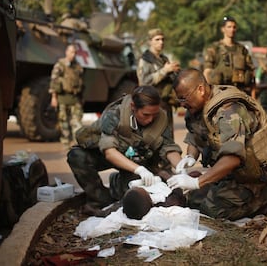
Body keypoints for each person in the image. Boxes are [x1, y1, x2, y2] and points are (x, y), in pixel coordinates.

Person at [167, 68, 267, 221]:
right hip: (230, 173)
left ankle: (263, 198)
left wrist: (197, 182)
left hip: (248, 174)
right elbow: (195, 135)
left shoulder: (229, 110)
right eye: (179, 100)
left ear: (200, 89)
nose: (182, 105)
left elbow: (233, 157)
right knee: (193, 200)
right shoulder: (197, 108)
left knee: (212, 212)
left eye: (184, 98)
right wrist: (190, 156)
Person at [67, 85, 183, 216]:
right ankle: (99, 199)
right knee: (76, 156)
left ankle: (118, 184)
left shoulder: (161, 118)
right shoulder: (115, 114)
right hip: (115, 155)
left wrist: (180, 167)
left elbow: (168, 147)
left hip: (140, 158)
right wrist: (139, 170)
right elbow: (109, 152)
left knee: (135, 198)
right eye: (146, 115)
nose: (150, 119)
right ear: (133, 107)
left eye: (154, 115)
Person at [137, 28, 180, 137]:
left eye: (162, 39)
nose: (161, 42)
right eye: (157, 39)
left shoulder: (164, 59)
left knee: (168, 137)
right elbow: (144, 82)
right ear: (150, 41)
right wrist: (164, 71)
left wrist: (174, 71)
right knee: (154, 137)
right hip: (152, 104)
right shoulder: (145, 60)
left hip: (165, 103)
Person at [203, 16, 255, 96]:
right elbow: (207, 71)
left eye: (234, 27)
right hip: (220, 92)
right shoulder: (214, 48)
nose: (232, 30)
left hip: (240, 91)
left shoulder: (242, 49)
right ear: (223, 29)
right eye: (229, 27)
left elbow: (251, 72)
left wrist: (253, 96)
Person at [49, 44, 84, 147]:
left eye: (74, 53)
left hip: (75, 99)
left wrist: (81, 98)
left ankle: (77, 144)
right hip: (62, 98)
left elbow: (81, 83)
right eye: (71, 52)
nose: (73, 55)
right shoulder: (60, 65)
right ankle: (66, 144)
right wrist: (54, 98)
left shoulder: (78, 66)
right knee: (64, 123)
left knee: (77, 123)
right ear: (66, 52)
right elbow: (54, 81)